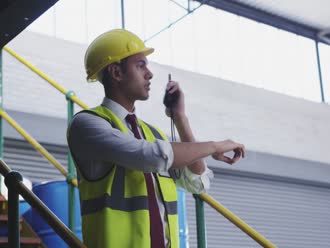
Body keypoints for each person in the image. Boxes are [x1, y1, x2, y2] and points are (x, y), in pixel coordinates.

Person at [67, 29, 245, 248]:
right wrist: (215, 145)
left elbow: (197, 181)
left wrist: (180, 118)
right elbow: (151, 156)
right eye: (140, 65)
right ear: (116, 72)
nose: (149, 74)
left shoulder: (152, 135)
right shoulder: (87, 125)